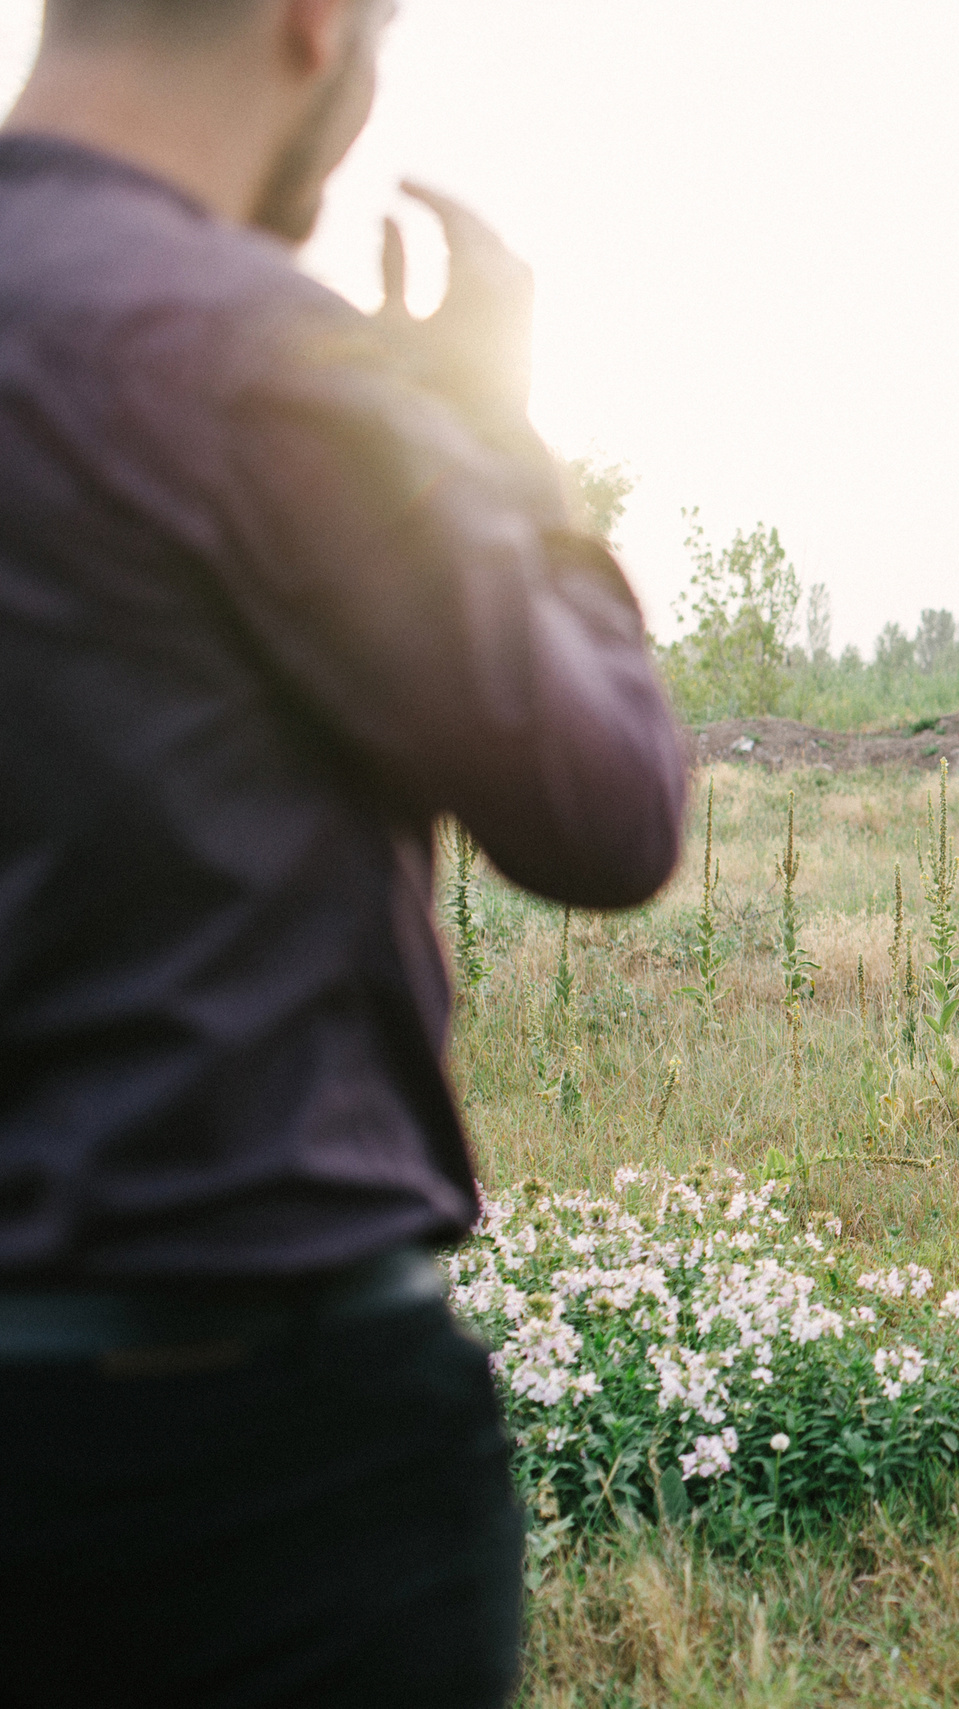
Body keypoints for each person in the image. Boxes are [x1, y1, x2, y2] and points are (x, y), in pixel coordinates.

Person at [0, 1, 688, 1703]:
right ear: (314, 24)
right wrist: (489, 442)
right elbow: (603, 808)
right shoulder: (245, 353)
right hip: (229, 1453)